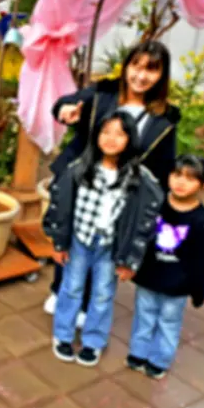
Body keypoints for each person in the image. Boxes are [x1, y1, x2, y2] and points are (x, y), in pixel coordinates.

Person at [45, 41, 180, 323]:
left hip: (121, 191)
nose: (141, 76)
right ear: (126, 66)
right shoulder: (103, 93)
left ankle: (86, 305)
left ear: (162, 75)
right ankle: (60, 291)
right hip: (83, 181)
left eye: (151, 70)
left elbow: (164, 165)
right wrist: (65, 110)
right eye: (137, 66)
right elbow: (64, 103)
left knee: (105, 245)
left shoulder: (163, 118)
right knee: (71, 236)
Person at [44, 111, 163, 367]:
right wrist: (58, 241)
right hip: (80, 239)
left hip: (110, 245)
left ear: (130, 139)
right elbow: (61, 204)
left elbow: (145, 220)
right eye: (105, 131)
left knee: (102, 294)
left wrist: (131, 259)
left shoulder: (138, 178)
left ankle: (93, 341)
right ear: (96, 135)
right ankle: (62, 335)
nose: (111, 139)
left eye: (120, 134)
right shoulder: (80, 168)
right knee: (71, 287)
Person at [127, 155, 204, 379]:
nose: (181, 182)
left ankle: (159, 360)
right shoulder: (156, 203)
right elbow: (138, 233)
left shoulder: (203, 220)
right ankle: (138, 353)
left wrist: (198, 290)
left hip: (177, 285)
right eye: (177, 175)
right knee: (143, 316)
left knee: (168, 321)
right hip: (148, 276)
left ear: (203, 186)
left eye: (190, 178)